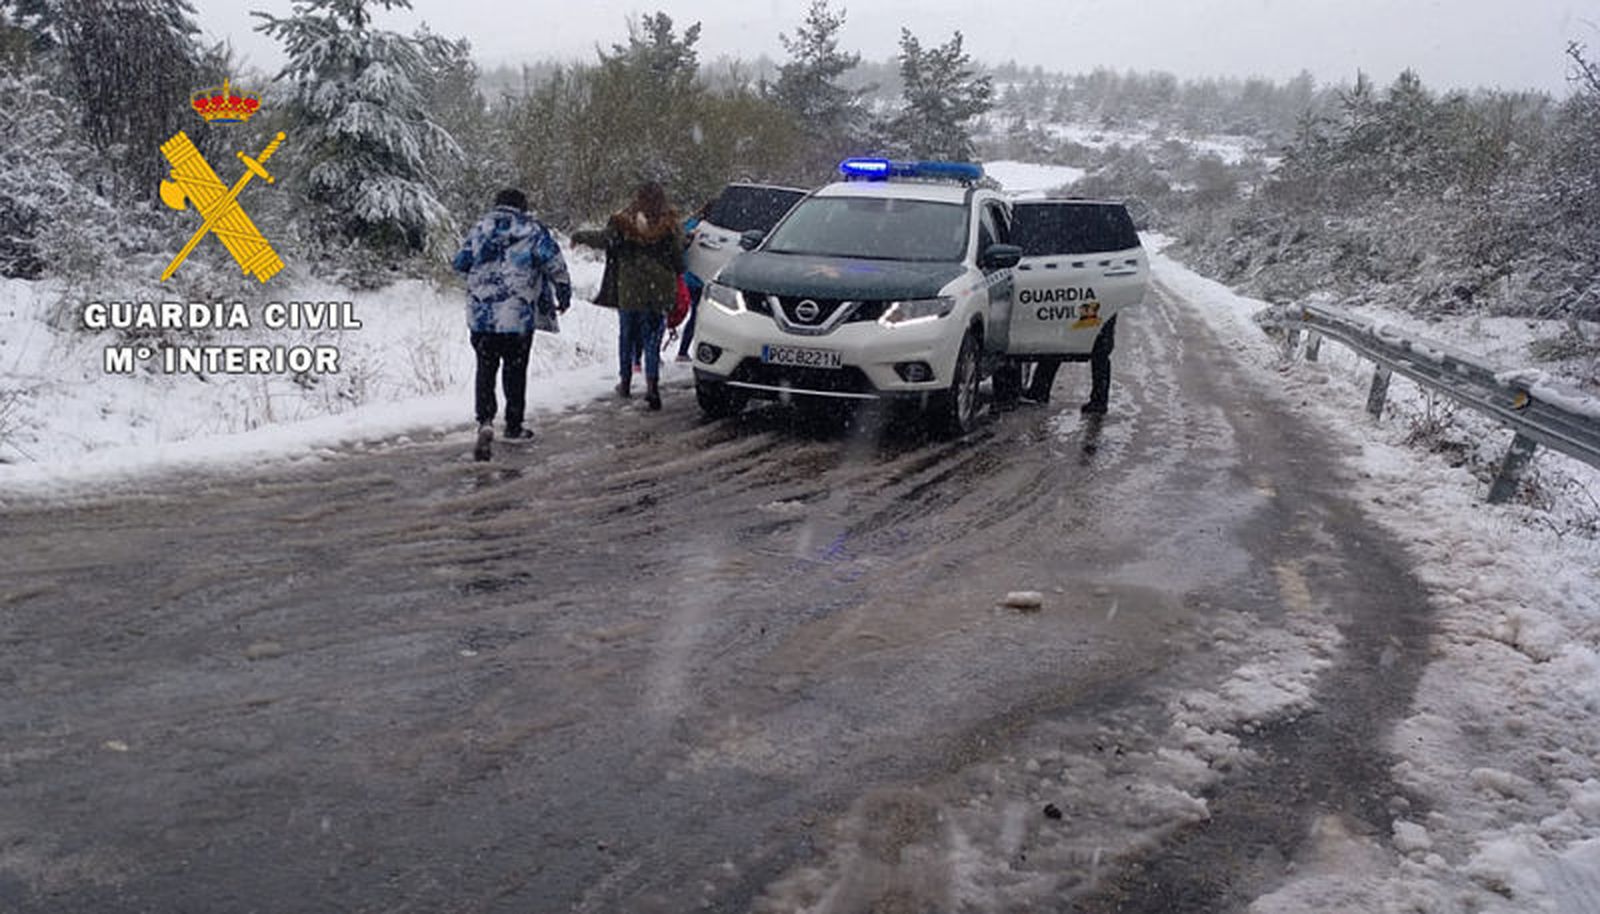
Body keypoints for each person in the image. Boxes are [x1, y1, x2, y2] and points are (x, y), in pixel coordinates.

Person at [452, 188, 572, 461]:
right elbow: (555, 265)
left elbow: (460, 263)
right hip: (516, 315)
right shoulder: (532, 230)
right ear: (522, 206)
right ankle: (514, 426)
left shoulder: (480, 228)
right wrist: (563, 294)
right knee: (515, 370)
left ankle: (484, 421)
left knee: (485, 367)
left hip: (482, 315)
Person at [572, 181, 686, 411]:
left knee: (627, 337)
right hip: (658, 290)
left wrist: (581, 236)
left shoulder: (623, 222)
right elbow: (678, 258)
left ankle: (625, 383)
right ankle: (652, 386)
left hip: (630, 289)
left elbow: (604, 239)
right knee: (652, 339)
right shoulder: (670, 224)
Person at [1024, 315, 1118, 414]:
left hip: (1090, 308)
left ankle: (1040, 390)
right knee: (1100, 350)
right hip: (1100, 308)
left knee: (1057, 342)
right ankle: (1099, 400)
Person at [675, 200, 714, 363]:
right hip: (699, 279)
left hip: (684, 278)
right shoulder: (710, 230)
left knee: (673, 314)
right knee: (696, 316)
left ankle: (652, 353)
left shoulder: (690, 224)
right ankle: (683, 351)